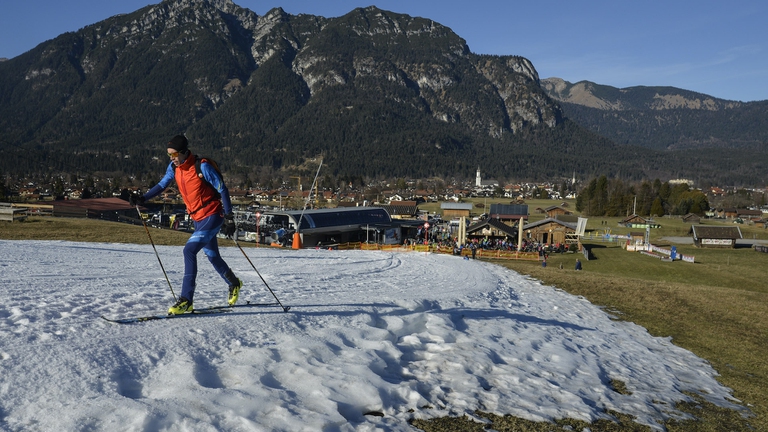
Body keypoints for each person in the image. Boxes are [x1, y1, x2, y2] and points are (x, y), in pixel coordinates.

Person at [129, 135, 241, 314]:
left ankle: (186, 300)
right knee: (212, 256)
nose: (171, 158)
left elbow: (222, 189)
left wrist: (229, 217)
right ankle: (234, 283)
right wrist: (143, 198)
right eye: (169, 155)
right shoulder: (174, 167)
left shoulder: (202, 166)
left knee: (189, 251)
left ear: (183, 152)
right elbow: (162, 185)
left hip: (212, 214)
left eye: (174, 154)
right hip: (197, 218)